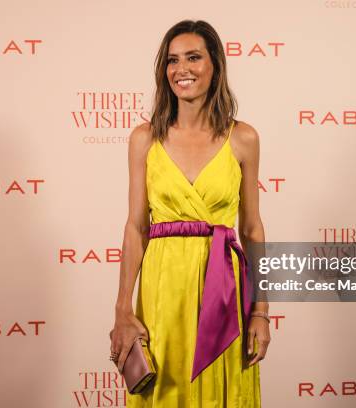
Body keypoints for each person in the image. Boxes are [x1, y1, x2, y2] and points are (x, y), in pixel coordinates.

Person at [109, 19, 270, 407]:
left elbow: (251, 229)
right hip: (162, 289)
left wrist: (261, 311)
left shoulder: (243, 138)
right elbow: (135, 227)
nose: (182, 69)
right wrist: (122, 309)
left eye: (194, 57)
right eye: (172, 61)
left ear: (214, 65)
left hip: (225, 291)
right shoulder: (144, 139)